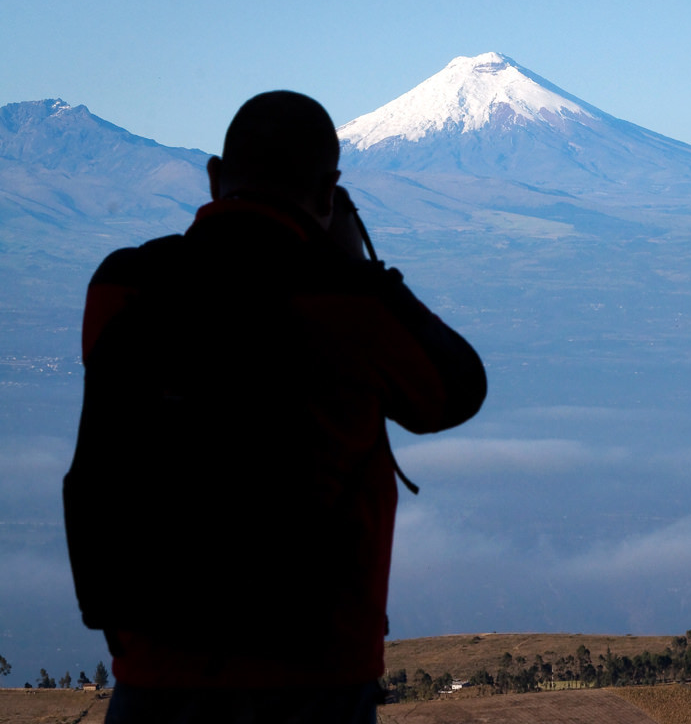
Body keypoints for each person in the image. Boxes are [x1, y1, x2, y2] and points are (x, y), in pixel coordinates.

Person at [64, 91, 487, 723]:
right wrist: (364, 269)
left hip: (153, 670)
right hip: (313, 676)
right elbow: (456, 391)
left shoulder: (123, 286)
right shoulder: (347, 301)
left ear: (213, 176)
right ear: (328, 192)